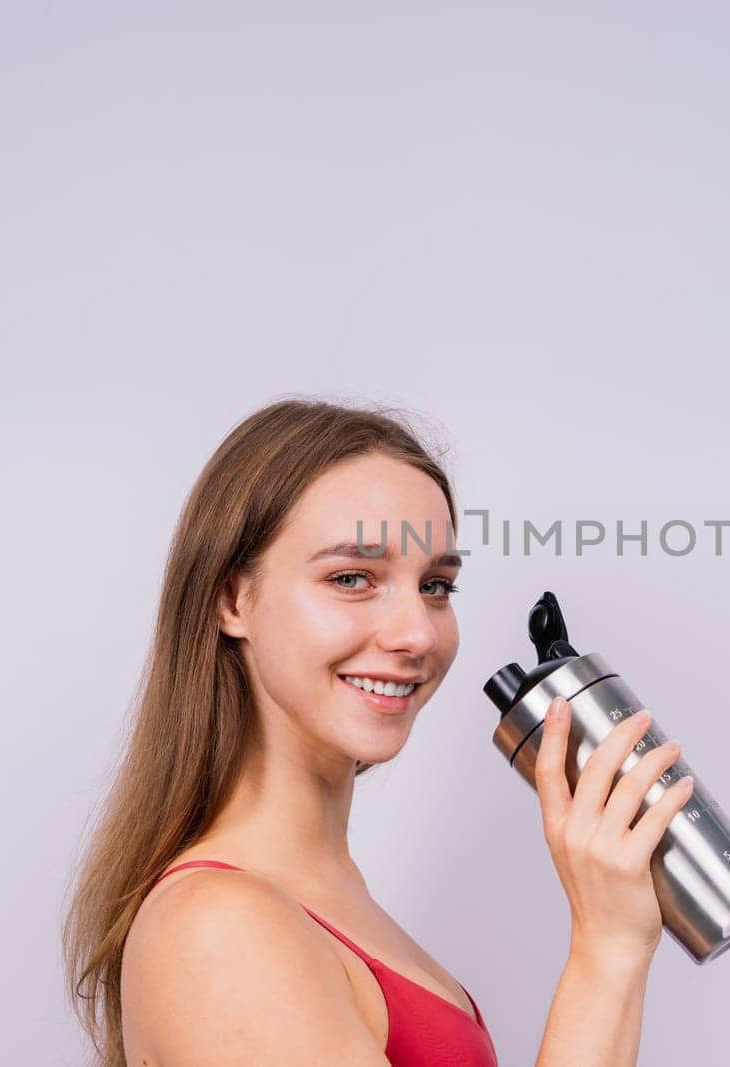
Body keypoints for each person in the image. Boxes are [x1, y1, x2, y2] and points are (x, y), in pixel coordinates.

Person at [63, 398, 696, 1066]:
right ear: (232, 600)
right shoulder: (217, 927)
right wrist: (604, 948)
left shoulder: (324, 896)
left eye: (434, 585)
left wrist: (618, 943)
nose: (417, 633)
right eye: (352, 578)